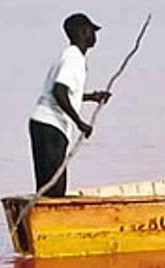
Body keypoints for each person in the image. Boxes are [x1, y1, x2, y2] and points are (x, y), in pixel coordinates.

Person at [28, 13, 112, 197]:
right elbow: (59, 91)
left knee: (49, 185)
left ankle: (42, 221)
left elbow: (66, 91)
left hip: (43, 123)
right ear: (83, 32)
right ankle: (50, 222)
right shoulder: (74, 58)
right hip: (51, 125)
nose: (94, 35)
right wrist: (79, 122)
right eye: (92, 30)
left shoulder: (68, 56)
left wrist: (91, 97)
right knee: (55, 188)